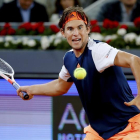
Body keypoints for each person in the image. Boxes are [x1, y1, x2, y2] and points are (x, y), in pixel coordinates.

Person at [17, 6, 140, 140]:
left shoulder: (99, 51)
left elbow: (134, 60)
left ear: (88, 29)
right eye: (70, 29)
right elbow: (60, 86)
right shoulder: (69, 58)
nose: (76, 33)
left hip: (128, 128)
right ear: (63, 33)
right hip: (98, 132)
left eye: (80, 27)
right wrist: (31, 89)